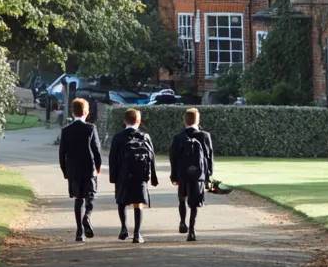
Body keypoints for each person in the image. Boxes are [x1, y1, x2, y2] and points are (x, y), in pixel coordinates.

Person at [109, 108, 158, 243]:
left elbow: (112, 159)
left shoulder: (118, 137)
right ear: (138, 121)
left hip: (122, 175)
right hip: (140, 176)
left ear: (125, 121)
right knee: (138, 203)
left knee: (122, 202)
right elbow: (152, 157)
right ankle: (137, 233)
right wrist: (152, 178)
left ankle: (124, 228)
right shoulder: (145, 137)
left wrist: (113, 177)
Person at [59, 98, 102, 242]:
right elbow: (96, 150)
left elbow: (62, 153)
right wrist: (98, 165)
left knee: (78, 199)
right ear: (86, 112)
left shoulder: (66, 130)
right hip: (88, 167)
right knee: (90, 196)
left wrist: (65, 170)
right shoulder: (90, 128)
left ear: (73, 112)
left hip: (73, 169)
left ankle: (79, 231)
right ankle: (87, 217)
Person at [169, 107, 214, 242]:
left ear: (185, 121)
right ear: (198, 120)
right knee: (194, 202)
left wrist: (174, 175)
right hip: (198, 174)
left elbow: (173, 157)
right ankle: (192, 230)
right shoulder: (204, 136)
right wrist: (208, 176)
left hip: (183, 173)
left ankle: (183, 222)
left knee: (182, 198)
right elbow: (209, 156)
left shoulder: (179, 137)